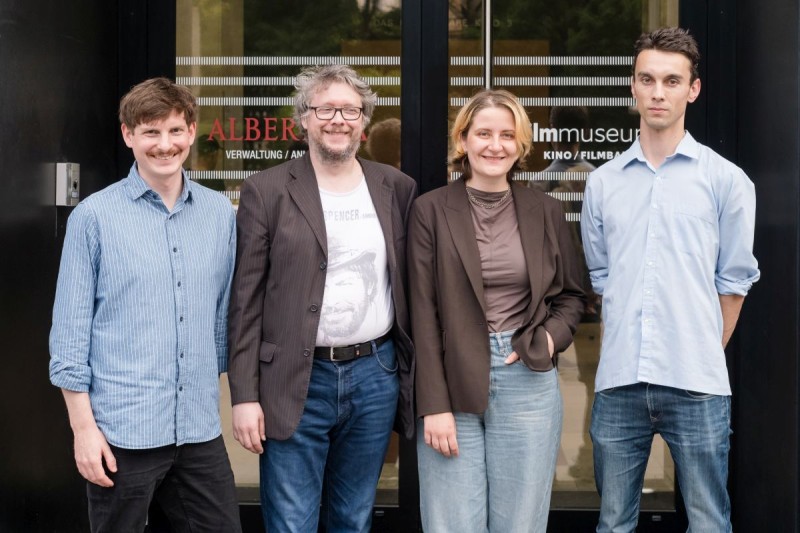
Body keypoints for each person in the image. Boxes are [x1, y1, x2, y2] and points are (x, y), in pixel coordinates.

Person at [581, 27, 760, 532]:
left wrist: (701, 347)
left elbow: (735, 281)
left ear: (693, 89)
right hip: (619, 384)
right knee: (613, 522)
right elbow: (601, 276)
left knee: (708, 521)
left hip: (698, 385)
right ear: (633, 87)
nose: (659, 92)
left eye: (672, 81)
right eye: (648, 79)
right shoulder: (603, 183)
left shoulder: (727, 181)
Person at [227, 64, 417, 532]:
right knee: (291, 521)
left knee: (353, 518)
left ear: (363, 121)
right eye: (326, 108)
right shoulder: (266, 190)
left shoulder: (394, 187)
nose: (338, 119)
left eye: (350, 109)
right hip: (294, 379)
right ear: (304, 119)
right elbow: (245, 301)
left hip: (375, 374)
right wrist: (244, 396)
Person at [48, 78, 240, 532]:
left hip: (197, 430)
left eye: (175, 131)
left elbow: (221, 322)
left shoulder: (219, 215)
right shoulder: (93, 218)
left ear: (192, 132)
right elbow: (70, 336)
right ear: (128, 135)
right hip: (122, 434)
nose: (164, 145)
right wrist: (84, 431)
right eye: (150, 132)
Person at [408, 89, 585, 532]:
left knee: (520, 523)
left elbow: (572, 296)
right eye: (483, 133)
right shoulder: (430, 210)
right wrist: (433, 404)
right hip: (452, 379)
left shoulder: (544, 210)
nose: (495, 145)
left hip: (526, 376)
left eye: (508, 135)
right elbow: (422, 313)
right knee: (451, 523)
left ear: (521, 145)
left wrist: (546, 339)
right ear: (463, 139)